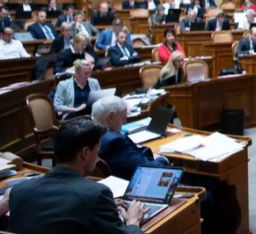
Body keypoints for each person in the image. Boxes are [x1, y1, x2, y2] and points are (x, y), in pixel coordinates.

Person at [5, 118, 147, 234]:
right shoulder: (96, 194)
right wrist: (133, 222)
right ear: (85, 153)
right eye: (97, 151)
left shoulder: (18, 192)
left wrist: (102, 208)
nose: (98, 158)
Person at [93, 96, 169, 179]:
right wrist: (162, 159)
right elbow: (150, 170)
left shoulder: (92, 133)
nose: (125, 122)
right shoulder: (115, 142)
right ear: (111, 117)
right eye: (123, 118)